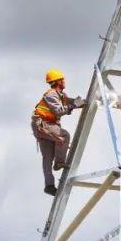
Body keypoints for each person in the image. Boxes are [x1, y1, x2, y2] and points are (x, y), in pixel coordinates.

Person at [32, 68, 86, 196]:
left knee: (47, 157)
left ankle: (49, 186)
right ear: (58, 81)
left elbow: (70, 102)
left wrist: (81, 103)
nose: (64, 81)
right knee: (64, 135)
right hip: (44, 125)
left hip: (42, 126)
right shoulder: (51, 95)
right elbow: (59, 110)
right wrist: (74, 105)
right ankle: (60, 162)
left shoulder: (61, 96)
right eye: (62, 80)